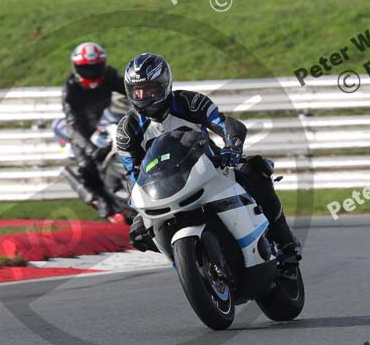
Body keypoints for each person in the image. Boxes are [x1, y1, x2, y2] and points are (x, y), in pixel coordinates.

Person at [115, 52, 301, 268]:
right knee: (139, 233)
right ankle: (185, 266)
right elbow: (132, 172)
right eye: (137, 90)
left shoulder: (189, 102)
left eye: (149, 88)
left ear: (164, 84)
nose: (142, 96)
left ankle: (286, 244)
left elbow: (224, 124)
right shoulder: (127, 129)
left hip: (209, 169)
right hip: (162, 188)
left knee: (255, 170)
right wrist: (137, 204)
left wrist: (232, 147)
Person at [61, 42, 128, 219]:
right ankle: (101, 199)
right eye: (86, 69)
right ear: (76, 68)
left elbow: (130, 91)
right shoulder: (70, 88)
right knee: (87, 165)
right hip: (81, 131)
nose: (91, 73)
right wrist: (91, 149)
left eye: (95, 68)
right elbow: (73, 123)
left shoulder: (109, 75)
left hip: (104, 120)